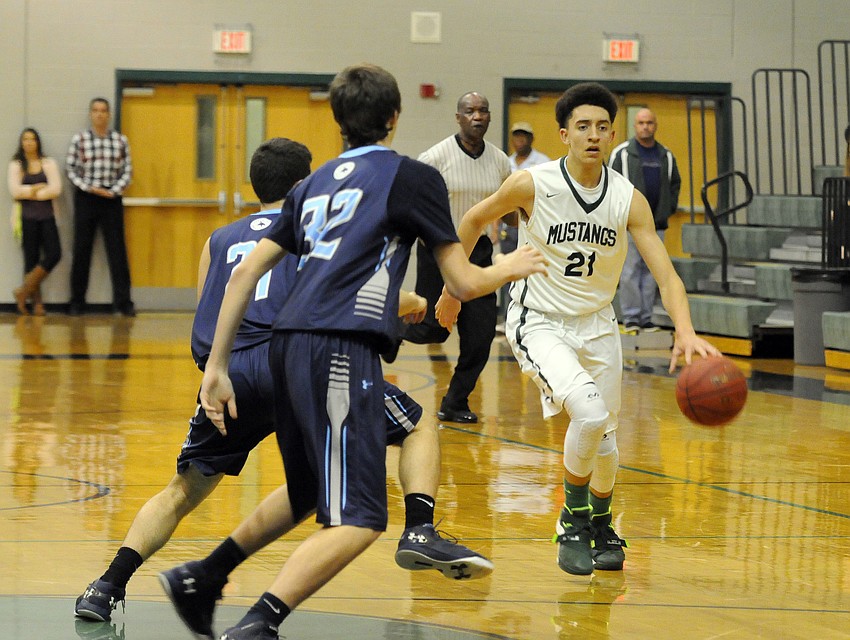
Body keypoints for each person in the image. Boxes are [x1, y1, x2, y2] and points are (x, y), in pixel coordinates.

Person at [160, 64, 546, 640]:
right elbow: (463, 282)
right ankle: (258, 623)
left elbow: (242, 275)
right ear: (394, 118)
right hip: (338, 347)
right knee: (362, 518)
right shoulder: (411, 177)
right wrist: (510, 266)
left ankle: (204, 576)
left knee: (307, 490)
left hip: (284, 348)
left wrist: (215, 368)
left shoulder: (311, 185)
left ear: (338, 121)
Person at [73, 137, 494, 627]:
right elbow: (335, 292)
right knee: (416, 425)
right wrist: (414, 301)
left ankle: (106, 585)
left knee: (183, 490)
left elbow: (214, 304)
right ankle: (419, 527)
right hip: (295, 363)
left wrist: (217, 369)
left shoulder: (218, 240)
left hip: (231, 373)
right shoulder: (312, 225)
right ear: (303, 185)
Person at [434, 82, 719, 577]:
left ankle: (602, 524)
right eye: (583, 126)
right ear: (564, 134)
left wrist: (686, 330)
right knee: (588, 414)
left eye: (602, 127)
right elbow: (474, 219)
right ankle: (571, 519)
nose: (593, 135)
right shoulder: (532, 183)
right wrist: (453, 288)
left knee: (605, 438)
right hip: (540, 321)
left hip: (599, 325)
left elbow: (667, 276)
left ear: (612, 135)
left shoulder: (627, 198)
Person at [403, 91, 512, 423]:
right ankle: (385, 329)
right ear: (458, 117)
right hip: (439, 248)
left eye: (483, 110)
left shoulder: (500, 161)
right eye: (470, 111)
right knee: (433, 329)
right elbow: (411, 203)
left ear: (489, 116)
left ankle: (455, 402)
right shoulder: (434, 157)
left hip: (479, 252)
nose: (477, 116)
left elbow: (509, 210)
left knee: (480, 334)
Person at [609, 107, 681, 332]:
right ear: (635, 126)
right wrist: (620, 215)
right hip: (629, 225)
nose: (645, 127)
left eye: (649, 123)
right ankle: (631, 317)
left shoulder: (666, 155)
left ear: (655, 126)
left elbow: (675, 184)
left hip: (656, 225)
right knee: (630, 270)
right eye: (641, 123)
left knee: (653, 271)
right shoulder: (621, 154)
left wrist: (667, 210)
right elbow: (610, 184)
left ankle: (646, 317)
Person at [66, 97, 135, 317]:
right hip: (86, 197)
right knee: (81, 250)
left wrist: (113, 191)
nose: (99, 114)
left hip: (111, 199)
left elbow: (127, 171)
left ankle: (123, 303)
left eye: (103, 110)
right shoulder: (80, 139)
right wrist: (90, 188)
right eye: (95, 110)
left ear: (109, 114)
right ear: (90, 114)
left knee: (117, 252)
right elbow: (71, 169)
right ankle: (77, 302)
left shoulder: (120, 140)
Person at [497, 122, 551, 332]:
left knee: (533, 270)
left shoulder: (543, 162)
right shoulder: (506, 163)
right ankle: (507, 318)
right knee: (506, 270)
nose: (519, 140)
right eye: (516, 136)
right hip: (509, 226)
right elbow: (498, 199)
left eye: (524, 136)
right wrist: (494, 227)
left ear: (531, 139)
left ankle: (534, 317)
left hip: (532, 225)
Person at [8, 128, 62, 315]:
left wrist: (29, 192)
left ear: (38, 142)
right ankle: (37, 303)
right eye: (25, 139)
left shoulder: (48, 163)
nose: (29, 142)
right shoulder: (16, 165)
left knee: (54, 254)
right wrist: (38, 188)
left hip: (47, 217)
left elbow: (55, 189)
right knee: (31, 260)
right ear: (21, 142)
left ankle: (23, 292)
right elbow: (15, 191)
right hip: (26, 218)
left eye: (32, 139)